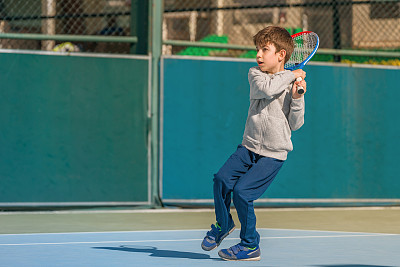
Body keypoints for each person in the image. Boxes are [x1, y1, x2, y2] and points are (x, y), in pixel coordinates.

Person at [201, 26, 307, 261]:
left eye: (265, 49)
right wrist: (293, 74)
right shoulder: (255, 75)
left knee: (242, 192)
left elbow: (296, 124)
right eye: (257, 49)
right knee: (221, 179)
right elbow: (268, 89)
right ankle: (223, 223)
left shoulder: (290, 84)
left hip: (273, 155)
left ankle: (250, 245)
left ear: (281, 55)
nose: (258, 54)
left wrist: (297, 98)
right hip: (248, 148)